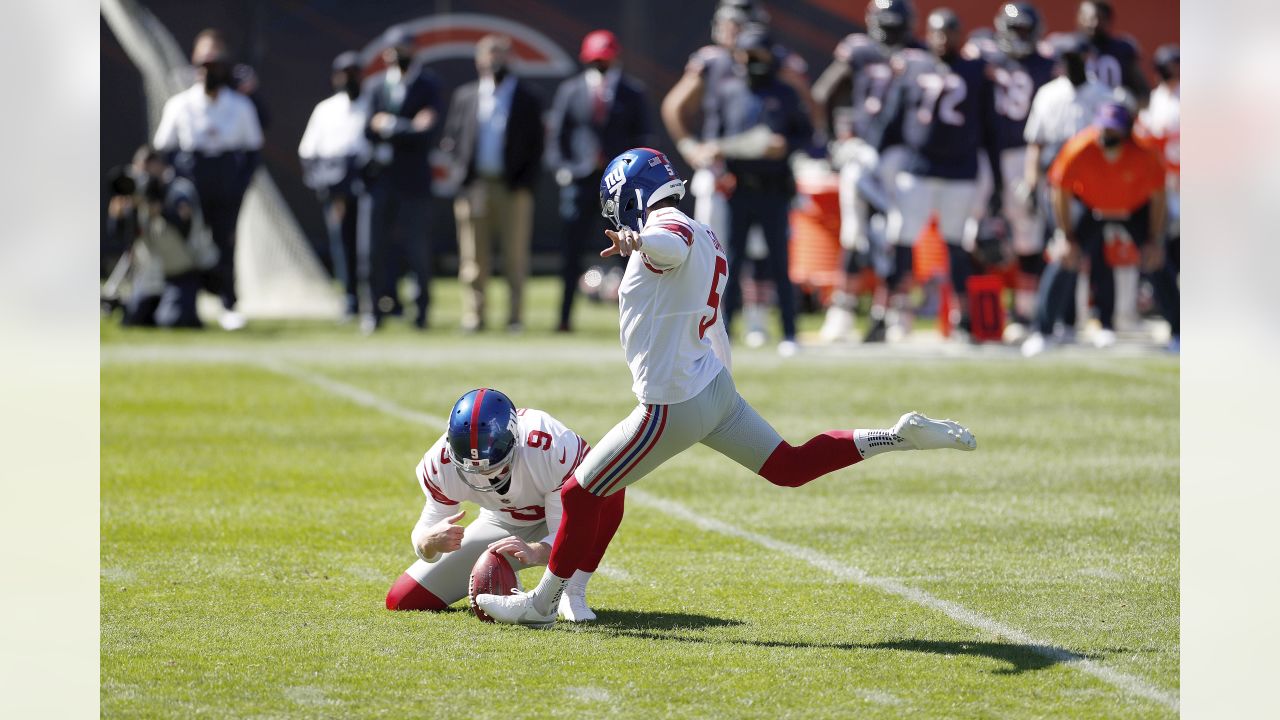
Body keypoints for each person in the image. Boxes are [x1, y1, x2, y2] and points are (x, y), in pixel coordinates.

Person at [476, 148, 976, 627]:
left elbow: (668, 246)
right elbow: (707, 316)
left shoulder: (666, 229)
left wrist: (639, 243)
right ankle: (896, 436)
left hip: (673, 401)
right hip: (712, 388)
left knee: (581, 495)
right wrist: (721, 381)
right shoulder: (708, 233)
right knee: (790, 466)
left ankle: (544, 601)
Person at [385, 388, 621, 622]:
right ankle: (508, 577)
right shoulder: (440, 462)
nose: (482, 476)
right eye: (472, 468)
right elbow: (427, 529)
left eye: (491, 467)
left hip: (564, 519)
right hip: (501, 522)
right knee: (403, 599)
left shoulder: (549, 446)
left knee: (608, 484)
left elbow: (567, 532)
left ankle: (572, 592)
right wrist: (428, 542)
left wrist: (535, 551)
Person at [868, 9, 995, 340]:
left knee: (956, 243)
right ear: (928, 33)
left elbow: (988, 122)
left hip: (960, 170)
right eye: (938, 32)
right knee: (902, 240)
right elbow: (894, 115)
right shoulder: (913, 65)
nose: (943, 39)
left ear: (960, 36)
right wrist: (876, 151)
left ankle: (961, 317)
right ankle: (894, 314)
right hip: (918, 167)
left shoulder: (976, 69)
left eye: (950, 32)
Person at [1021, 103, 1178, 356]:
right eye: (1104, 129)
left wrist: (1155, 238)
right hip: (1091, 206)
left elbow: (1158, 199)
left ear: (1126, 133)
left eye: (1114, 131)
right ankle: (1043, 331)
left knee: (1155, 260)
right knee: (1064, 258)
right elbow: (1060, 192)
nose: (1107, 136)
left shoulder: (1145, 154)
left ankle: (1180, 331)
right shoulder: (1078, 149)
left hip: (1134, 207)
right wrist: (1065, 235)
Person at [811, 0, 921, 342]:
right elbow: (823, 93)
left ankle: (892, 312)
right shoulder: (860, 51)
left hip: (901, 153)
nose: (889, 34)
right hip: (865, 150)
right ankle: (848, 312)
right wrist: (830, 141)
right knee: (858, 233)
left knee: (896, 232)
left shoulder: (918, 54)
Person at [701, 25, 813, 356]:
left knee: (780, 261)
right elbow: (714, 137)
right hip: (739, 189)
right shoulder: (728, 92)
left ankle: (790, 332)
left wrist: (786, 146)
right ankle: (724, 333)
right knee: (731, 261)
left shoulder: (784, 93)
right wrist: (718, 163)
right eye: (746, 55)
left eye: (758, 55)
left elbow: (805, 134)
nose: (752, 62)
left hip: (774, 189)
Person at [153, 28, 263, 331]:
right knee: (186, 244)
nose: (208, 71)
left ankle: (228, 304)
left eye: (214, 65)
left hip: (225, 180)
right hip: (190, 181)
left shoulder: (240, 106)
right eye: (203, 65)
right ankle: (185, 304)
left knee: (224, 243)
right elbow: (164, 148)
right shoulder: (179, 104)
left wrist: (239, 185)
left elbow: (252, 150)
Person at [545, 30, 653, 333]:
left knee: (630, 254)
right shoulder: (571, 90)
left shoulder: (633, 92)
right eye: (595, 60)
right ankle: (564, 318)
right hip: (581, 182)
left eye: (603, 59)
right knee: (571, 251)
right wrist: (564, 168)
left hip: (622, 187)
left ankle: (634, 323)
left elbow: (643, 138)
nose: (599, 65)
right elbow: (557, 135)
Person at [438, 34, 545, 334]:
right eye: (489, 55)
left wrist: (525, 182)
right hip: (475, 187)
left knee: (515, 256)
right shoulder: (466, 96)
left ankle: (515, 317)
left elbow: (537, 146)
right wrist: (462, 175)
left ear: (510, 59)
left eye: (500, 55)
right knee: (473, 258)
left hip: (513, 188)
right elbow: (452, 139)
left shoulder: (527, 97)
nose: (495, 61)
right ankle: (475, 315)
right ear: (478, 60)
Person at [965, 3, 1057, 324]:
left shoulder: (1047, 64)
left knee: (1027, 233)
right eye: (1014, 30)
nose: (1020, 37)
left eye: (1025, 31)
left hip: (1023, 155)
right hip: (984, 154)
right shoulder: (982, 54)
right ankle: (973, 314)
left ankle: (1024, 312)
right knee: (975, 232)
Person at [358, 30, 442, 332]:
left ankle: (420, 311)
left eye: (402, 48)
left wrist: (390, 125)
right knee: (372, 248)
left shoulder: (428, 85)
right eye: (392, 49)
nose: (397, 54)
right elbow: (368, 129)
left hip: (414, 180)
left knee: (417, 248)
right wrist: (406, 127)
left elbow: (426, 132)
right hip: (379, 179)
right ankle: (374, 310)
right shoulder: (375, 86)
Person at [106, 146, 216, 328]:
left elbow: (184, 223)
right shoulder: (136, 197)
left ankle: (179, 309)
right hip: (151, 274)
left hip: (181, 272)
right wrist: (117, 217)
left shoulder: (179, 190)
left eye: (147, 168)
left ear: (160, 166)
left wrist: (160, 210)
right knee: (133, 320)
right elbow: (121, 237)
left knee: (173, 321)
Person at [298, 51, 370, 321]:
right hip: (336, 185)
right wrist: (325, 185)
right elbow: (308, 151)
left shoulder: (373, 104)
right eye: (345, 74)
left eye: (355, 74)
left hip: (367, 182)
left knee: (369, 244)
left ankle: (379, 297)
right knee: (343, 243)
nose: (350, 79)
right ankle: (350, 298)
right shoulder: (325, 109)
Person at [1074, 0, 1147, 104]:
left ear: (1108, 20)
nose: (1092, 23)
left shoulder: (1122, 49)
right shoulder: (1067, 48)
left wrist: (1131, 105)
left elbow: (1142, 92)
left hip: (1112, 114)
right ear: (1079, 17)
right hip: (1079, 113)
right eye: (1087, 18)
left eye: (1098, 18)